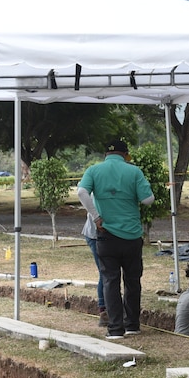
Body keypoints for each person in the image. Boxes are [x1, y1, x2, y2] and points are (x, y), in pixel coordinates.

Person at [76, 140, 154, 340]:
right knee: (132, 281)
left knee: (110, 281)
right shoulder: (134, 171)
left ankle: (115, 329)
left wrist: (96, 216)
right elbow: (148, 200)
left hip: (106, 234)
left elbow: (82, 192)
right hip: (132, 235)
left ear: (106, 154)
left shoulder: (93, 171)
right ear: (125, 154)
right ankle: (132, 325)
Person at [81, 203, 107, 327]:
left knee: (108, 272)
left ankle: (110, 309)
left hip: (105, 235)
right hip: (95, 236)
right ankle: (104, 312)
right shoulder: (94, 189)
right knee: (105, 273)